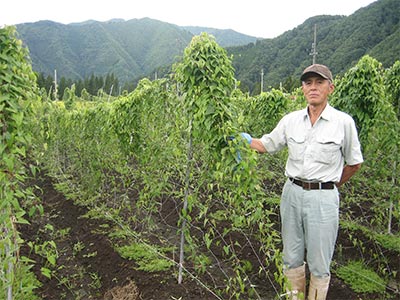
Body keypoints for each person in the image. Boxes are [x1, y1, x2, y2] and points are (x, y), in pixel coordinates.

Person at [241, 64, 363, 300]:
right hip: (292, 193)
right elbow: (267, 145)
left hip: (323, 198)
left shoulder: (343, 122)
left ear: (331, 87)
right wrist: (242, 140)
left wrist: (330, 186)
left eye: (319, 82)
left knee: (319, 261)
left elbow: (354, 163)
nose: (313, 87)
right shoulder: (291, 121)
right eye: (308, 83)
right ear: (302, 89)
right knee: (291, 256)